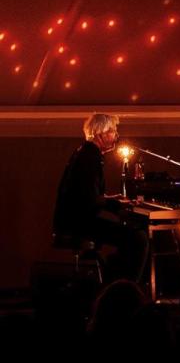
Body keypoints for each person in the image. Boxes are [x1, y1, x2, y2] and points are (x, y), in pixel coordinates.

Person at [52, 113, 148, 281]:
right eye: (112, 131)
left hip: (73, 219)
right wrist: (117, 206)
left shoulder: (86, 153)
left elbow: (89, 193)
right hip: (78, 223)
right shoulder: (90, 157)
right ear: (100, 134)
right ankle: (125, 289)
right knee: (137, 239)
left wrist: (112, 199)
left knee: (129, 239)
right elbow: (90, 200)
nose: (116, 136)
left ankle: (113, 279)